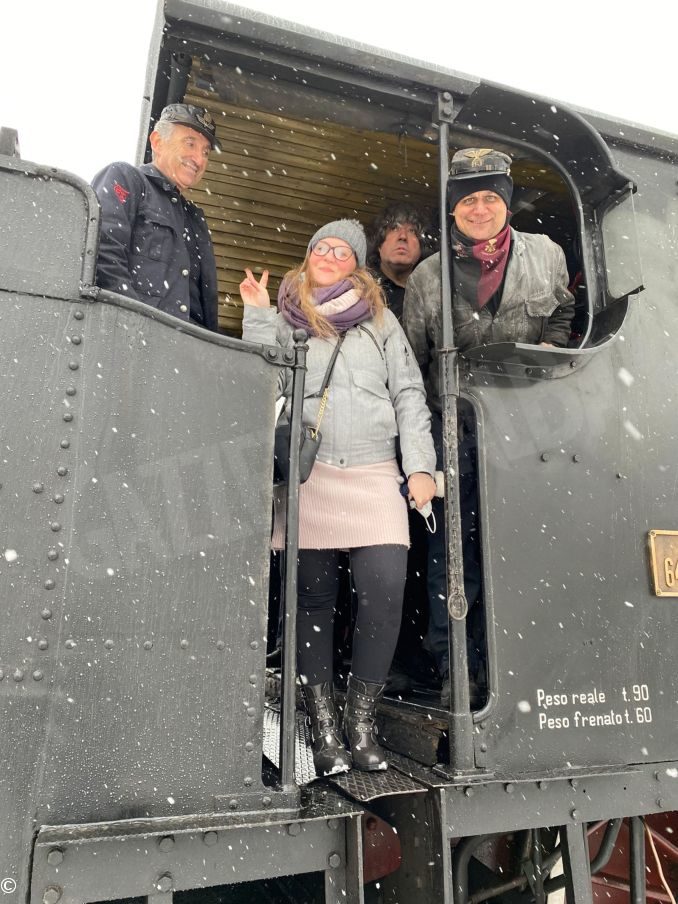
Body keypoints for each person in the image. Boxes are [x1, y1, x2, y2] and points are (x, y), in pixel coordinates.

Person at [240, 219, 436, 775]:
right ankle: (324, 727)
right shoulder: (285, 318)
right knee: (314, 604)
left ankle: (361, 722)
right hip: (312, 474)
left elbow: (408, 392)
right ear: (307, 258)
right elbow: (264, 385)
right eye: (320, 248)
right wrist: (256, 317)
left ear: (355, 264)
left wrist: (420, 466)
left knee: (385, 593)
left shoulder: (381, 321)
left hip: (375, 472)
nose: (329, 255)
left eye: (340, 251)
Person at [403, 148, 575, 706]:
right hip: (454, 434)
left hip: (527, 433)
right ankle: (455, 665)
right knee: (454, 554)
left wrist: (546, 354)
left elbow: (566, 314)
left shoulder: (547, 256)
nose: (480, 208)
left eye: (490, 197)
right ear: (453, 210)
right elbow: (412, 361)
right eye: (469, 199)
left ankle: (524, 667)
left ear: (506, 202)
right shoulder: (428, 277)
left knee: (524, 548)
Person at [92, 104, 220, 332]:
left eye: (205, 152)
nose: (199, 159)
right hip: (139, 342)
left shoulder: (195, 219)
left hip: (191, 352)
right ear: (158, 141)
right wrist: (134, 326)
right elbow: (102, 253)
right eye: (190, 144)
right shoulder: (127, 180)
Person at [367, 203, 433, 322]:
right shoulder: (362, 287)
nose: (402, 236)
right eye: (394, 228)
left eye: (412, 230)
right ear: (379, 244)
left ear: (421, 247)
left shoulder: (432, 292)